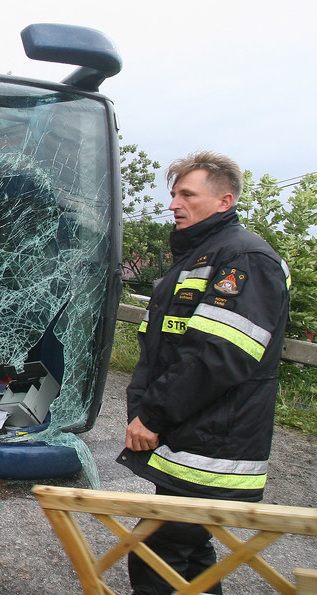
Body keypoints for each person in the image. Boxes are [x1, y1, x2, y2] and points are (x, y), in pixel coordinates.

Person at [118, 151, 290, 595]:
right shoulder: (198, 258)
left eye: (187, 194)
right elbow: (165, 349)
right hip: (191, 442)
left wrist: (152, 415)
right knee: (190, 561)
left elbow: (219, 356)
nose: (174, 203)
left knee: (156, 555)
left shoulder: (245, 259)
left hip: (215, 452)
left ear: (224, 200)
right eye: (173, 193)